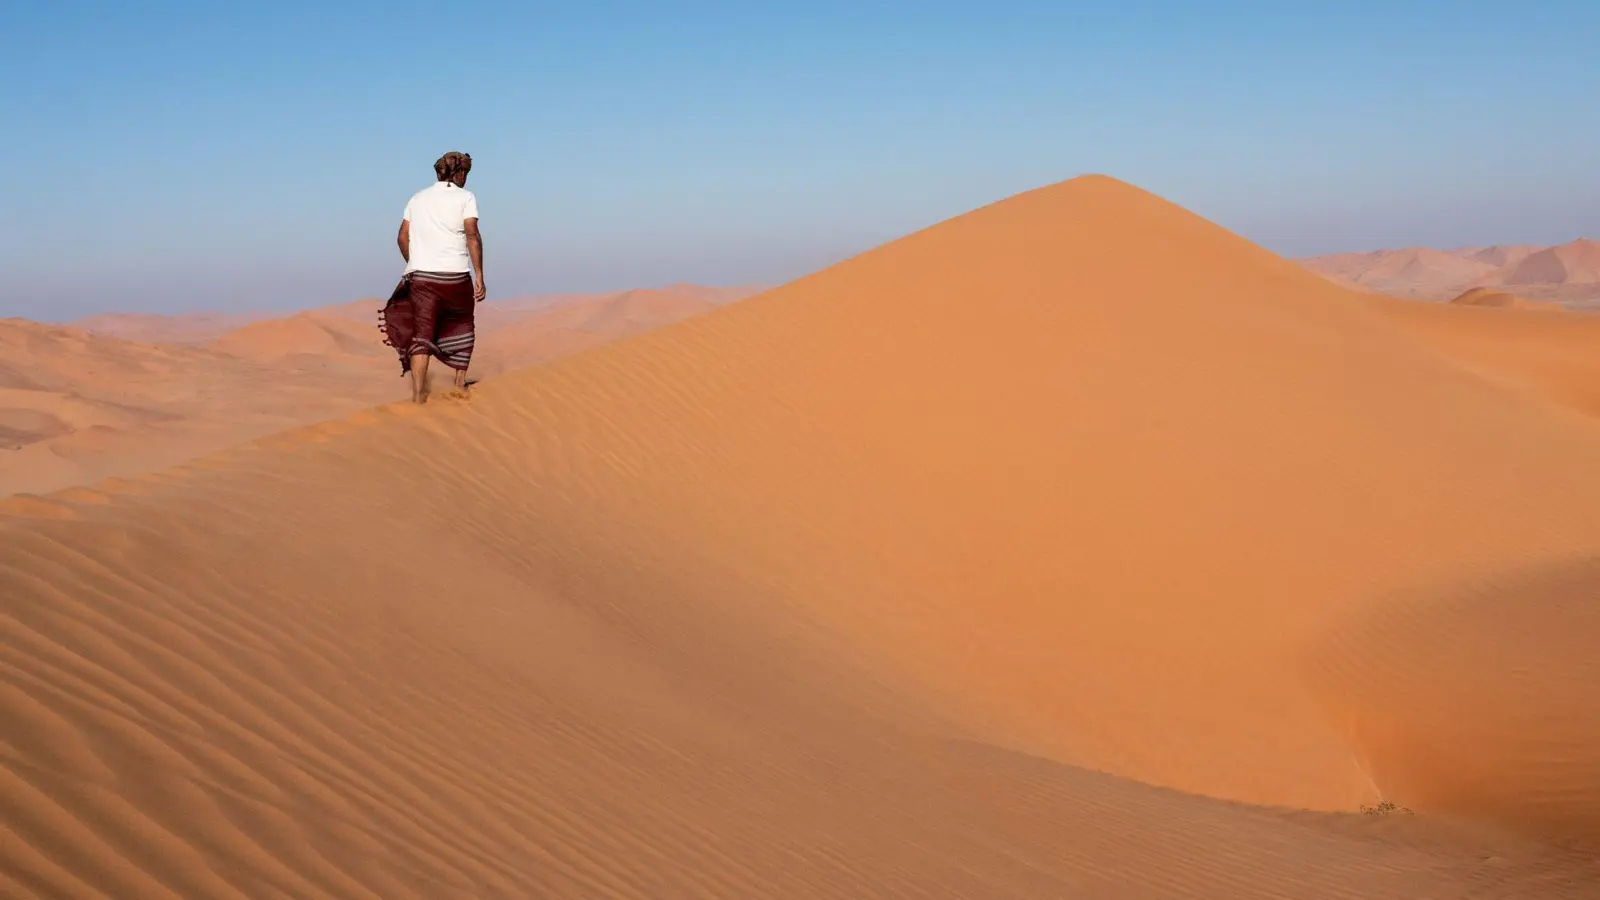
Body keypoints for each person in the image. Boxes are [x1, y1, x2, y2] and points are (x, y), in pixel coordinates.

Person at [378, 151, 486, 403]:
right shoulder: (466, 197)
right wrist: (479, 274)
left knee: (422, 334)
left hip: (421, 277)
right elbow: (472, 235)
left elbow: (402, 237)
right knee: (462, 324)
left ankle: (418, 395)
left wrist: (414, 262)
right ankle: (459, 385)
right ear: (460, 173)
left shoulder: (417, 198)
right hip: (455, 276)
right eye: (466, 173)